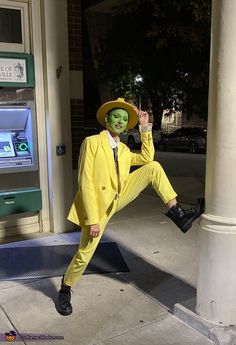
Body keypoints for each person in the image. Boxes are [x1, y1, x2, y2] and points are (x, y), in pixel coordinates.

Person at [57, 98, 203, 316]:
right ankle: (65, 288)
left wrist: (145, 126)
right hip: (97, 208)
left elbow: (147, 157)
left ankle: (178, 213)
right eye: (116, 116)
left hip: (118, 197)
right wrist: (93, 219)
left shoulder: (124, 149)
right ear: (107, 119)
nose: (120, 121)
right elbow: (85, 181)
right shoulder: (91, 142)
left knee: (153, 167)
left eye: (125, 119)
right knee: (85, 253)